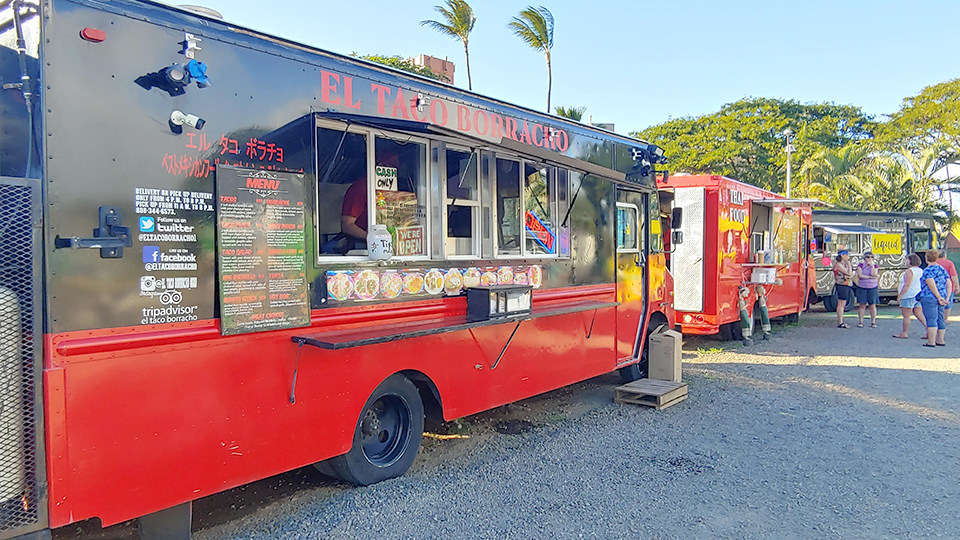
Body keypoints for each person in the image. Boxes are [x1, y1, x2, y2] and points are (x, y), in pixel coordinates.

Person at [917, 250, 953, 347]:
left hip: (930, 297)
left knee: (931, 319)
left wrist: (938, 297)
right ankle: (940, 339)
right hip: (943, 297)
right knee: (940, 318)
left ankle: (931, 341)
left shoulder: (927, 270)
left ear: (926, 257)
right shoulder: (941, 269)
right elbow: (948, 282)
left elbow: (930, 283)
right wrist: (947, 297)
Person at [893, 254, 926, 339]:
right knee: (919, 313)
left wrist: (900, 296)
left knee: (906, 316)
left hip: (908, 295)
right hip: (917, 294)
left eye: (907, 259)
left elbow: (907, 285)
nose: (906, 261)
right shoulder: (920, 270)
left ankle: (904, 332)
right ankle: (929, 329)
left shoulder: (909, 271)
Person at [854, 252, 880, 328]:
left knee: (872, 305)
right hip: (862, 286)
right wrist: (869, 278)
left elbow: (874, 274)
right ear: (864, 258)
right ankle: (861, 321)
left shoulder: (875, 266)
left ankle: (873, 322)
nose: (870, 259)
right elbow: (860, 275)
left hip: (872, 287)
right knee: (862, 304)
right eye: (868, 257)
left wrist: (872, 267)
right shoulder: (861, 265)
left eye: (872, 257)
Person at [832, 249, 855, 328]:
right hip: (841, 284)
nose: (847, 256)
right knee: (841, 303)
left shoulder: (843, 264)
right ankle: (840, 321)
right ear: (842, 255)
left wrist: (849, 275)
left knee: (843, 303)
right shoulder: (838, 265)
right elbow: (848, 273)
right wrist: (849, 264)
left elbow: (850, 275)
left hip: (846, 284)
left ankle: (841, 320)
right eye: (846, 255)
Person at [938, 250, 958, 324]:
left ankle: (939, 318)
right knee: (948, 303)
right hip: (948, 286)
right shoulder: (949, 263)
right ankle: (945, 319)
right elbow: (953, 276)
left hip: (937, 287)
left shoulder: (934, 263)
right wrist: (957, 286)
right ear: (945, 256)